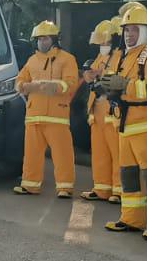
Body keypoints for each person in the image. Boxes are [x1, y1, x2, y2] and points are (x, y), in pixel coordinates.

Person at [104, 3, 147, 240]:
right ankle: (131, 219)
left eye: (134, 29)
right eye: (126, 30)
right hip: (124, 126)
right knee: (129, 176)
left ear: (145, 30)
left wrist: (124, 86)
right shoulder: (122, 57)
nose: (129, 34)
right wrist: (107, 88)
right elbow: (112, 82)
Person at [14, 20, 80, 198]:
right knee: (31, 154)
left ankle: (65, 187)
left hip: (57, 115)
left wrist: (54, 86)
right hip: (34, 115)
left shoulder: (67, 59)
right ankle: (30, 185)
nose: (41, 42)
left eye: (45, 39)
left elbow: (71, 83)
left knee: (62, 154)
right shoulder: (32, 60)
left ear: (54, 40)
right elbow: (19, 81)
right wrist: (26, 86)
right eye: (39, 39)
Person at [80, 19, 120, 202]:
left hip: (112, 110)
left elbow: (119, 81)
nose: (103, 46)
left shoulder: (120, 56)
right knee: (99, 151)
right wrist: (88, 75)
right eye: (101, 43)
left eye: (106, 42)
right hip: (96, 109)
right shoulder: (101, 57)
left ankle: (119, 190)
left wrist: (100, 81)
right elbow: (93, 75)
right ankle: (102, 188)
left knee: (117, 152)